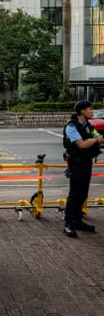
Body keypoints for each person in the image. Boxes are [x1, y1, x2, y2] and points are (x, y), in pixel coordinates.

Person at [63, 100, 104, 237]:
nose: (92, 111)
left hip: (87, 162)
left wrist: (93, 140)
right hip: (76, 162)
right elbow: (81, 145)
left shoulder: (88, 125)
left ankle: (77, 220)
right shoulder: (72, 126)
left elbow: (100, 138)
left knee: (83, 192)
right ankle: (68, 223)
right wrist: (94, 141)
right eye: (89, 109)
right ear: (82, 111)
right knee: (75, 193)